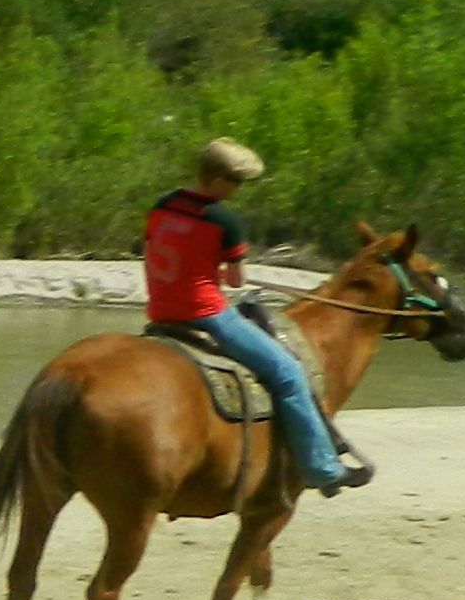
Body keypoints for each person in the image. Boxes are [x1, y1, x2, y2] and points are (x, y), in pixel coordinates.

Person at [145, 137, 365, 496]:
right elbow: (235, 280)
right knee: (290, 374)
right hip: (204, 313)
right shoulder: (222, 219)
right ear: (218, 180)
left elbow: (158, 252)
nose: (237, 190)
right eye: (235, 183)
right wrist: (219, 273)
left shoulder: (164, 204)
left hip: (160, 308)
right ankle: (323, 468)